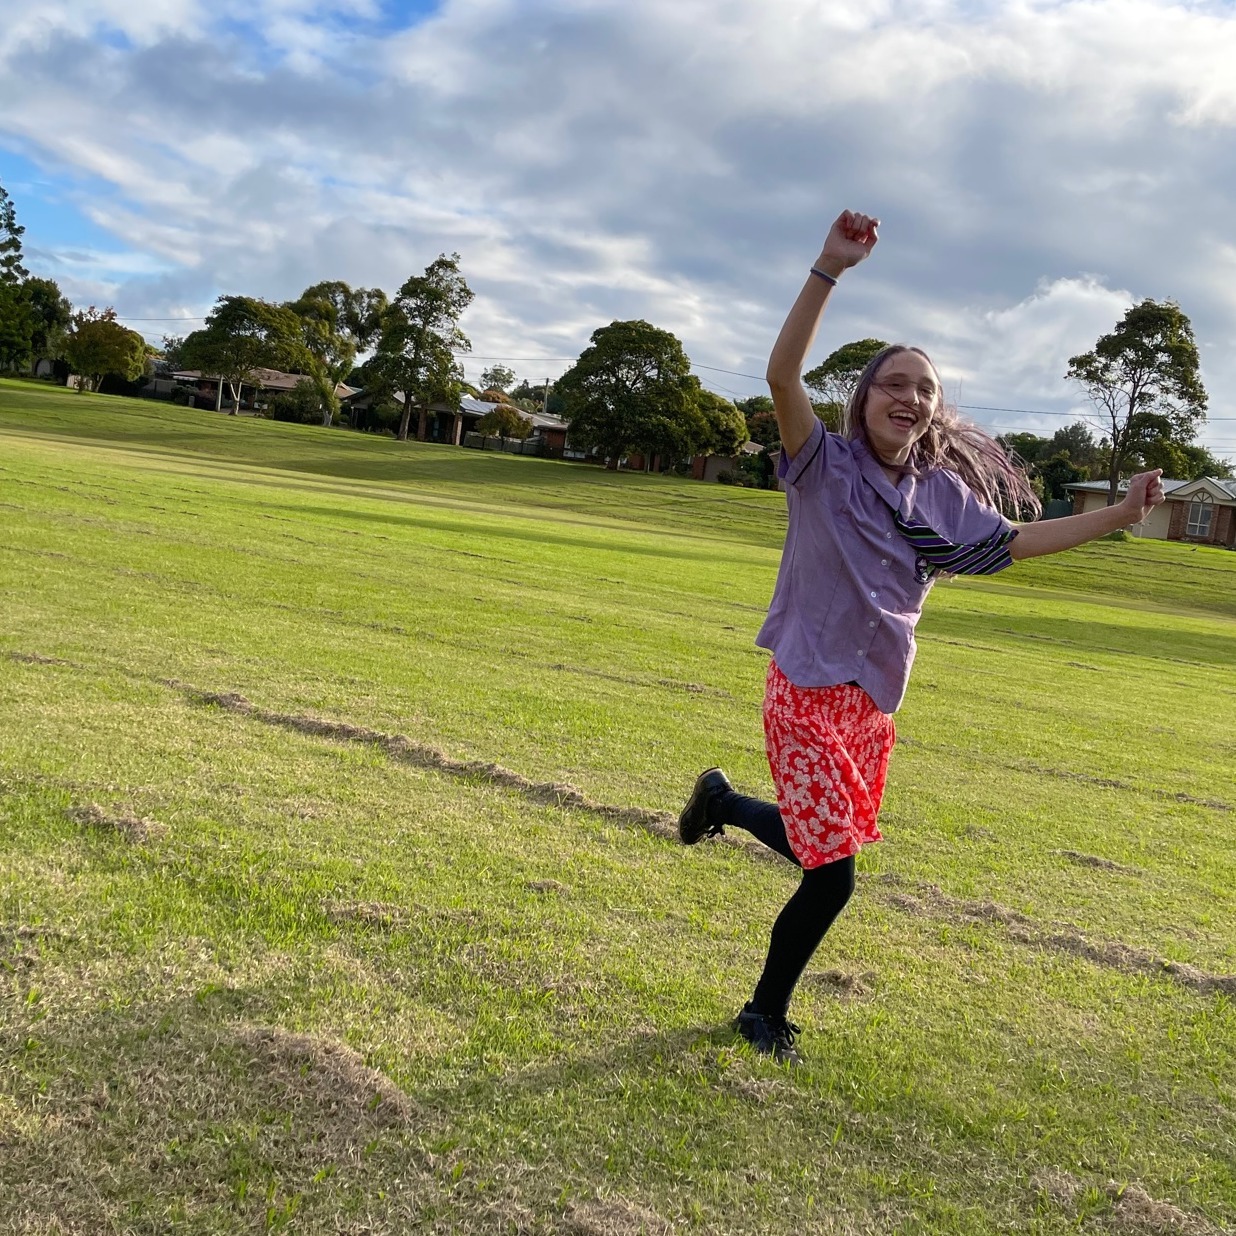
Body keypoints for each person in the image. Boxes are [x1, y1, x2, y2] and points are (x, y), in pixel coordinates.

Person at [678, 209, 1165, 1065]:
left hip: (872, 700)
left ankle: (720, 803)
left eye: (925, 389)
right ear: (863, 398)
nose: (910, 397)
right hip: (806, 686)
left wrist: (1121, 515)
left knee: (822, 841)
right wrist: (829, 268)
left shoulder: (939, 496)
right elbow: (782, 374)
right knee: (834, 874)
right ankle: (761, 1014)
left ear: (934, 410)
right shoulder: (820, 463)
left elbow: (1016, 542)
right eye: (893, 383)